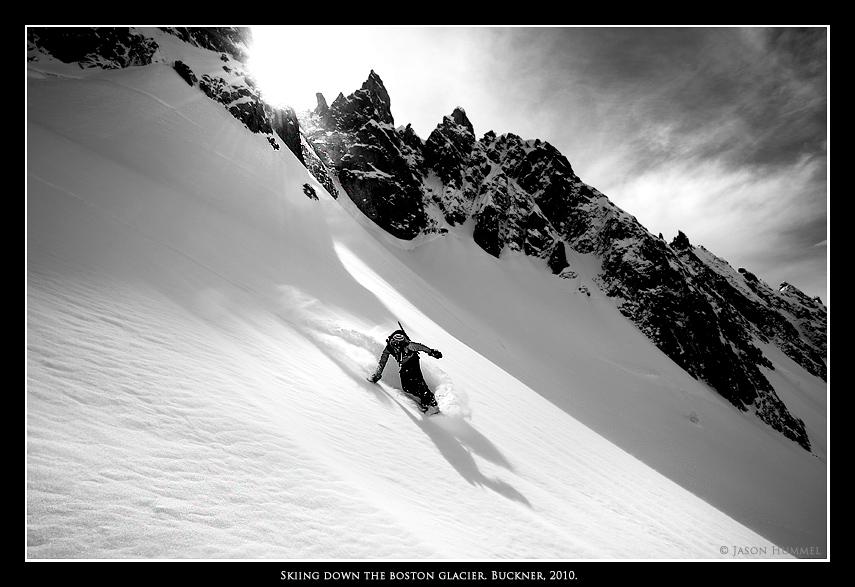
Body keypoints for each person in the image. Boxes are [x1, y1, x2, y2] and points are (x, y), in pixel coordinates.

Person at [368, 327, 443, 413]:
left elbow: (421, 347)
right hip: (404, 365)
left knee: (418, 380)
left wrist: (432, 352)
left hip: (413, 361)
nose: (399, 348)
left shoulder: (408, 345)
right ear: (394, 344)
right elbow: (383, 361)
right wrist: (378, 374)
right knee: (406, 387)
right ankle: (423, 398)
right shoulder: (389, 348)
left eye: (402, 345)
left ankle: (430, 401)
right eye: (398, 346)